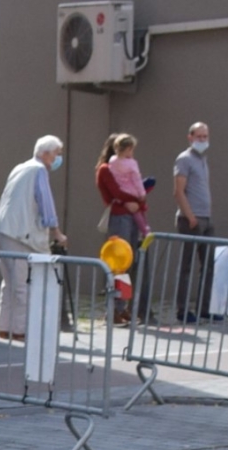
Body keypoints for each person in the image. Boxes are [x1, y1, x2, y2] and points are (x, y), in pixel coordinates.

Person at [0, 135, 64, 339]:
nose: (57, 159)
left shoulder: (20, 168)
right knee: (22, 286)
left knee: (10, 284)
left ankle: (5, 328)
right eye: (56, 154)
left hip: (4, 229)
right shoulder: (38, 170)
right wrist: (56, 232)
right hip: (19, 233)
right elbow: (45, 203)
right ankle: (19, 330)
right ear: (46, 153)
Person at [97, 134, 148, 324]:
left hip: (132, 213)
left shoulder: (128, 166)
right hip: (119, 215)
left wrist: (139, 202)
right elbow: (113, 192)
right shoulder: (105, 169)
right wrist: (130, 201)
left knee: (127, 263)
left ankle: (122, 306)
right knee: (118, 262)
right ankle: (112, 308)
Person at [171, 121, 214, 322]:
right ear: (190, 137)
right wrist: (190, 217)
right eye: (199, 137)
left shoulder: (202, 160)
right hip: (191, 219)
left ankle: (205, 308)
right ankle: (183, 309)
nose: (203, 140)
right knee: (187, 265)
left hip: (206, 217)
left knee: (208, 265)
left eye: (205, 137)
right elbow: (179, 191)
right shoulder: (184, 159)